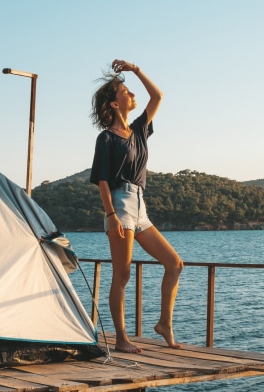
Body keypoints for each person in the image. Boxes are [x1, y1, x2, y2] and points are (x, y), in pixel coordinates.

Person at [89, 59, 184, 354]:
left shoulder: (140, 129)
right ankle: (121, 339)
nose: (132, 95)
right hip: (119, 203)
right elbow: (102, 181)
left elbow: (158, 96)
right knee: (123, 274)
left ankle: (164, 324)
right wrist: (111, 214)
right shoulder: (106, 138)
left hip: (140, 206)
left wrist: (135, 69)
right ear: (115, 104)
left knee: (174, 264)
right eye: (125, 92)